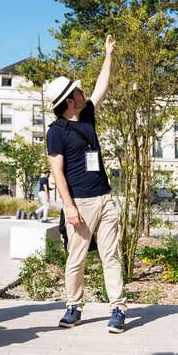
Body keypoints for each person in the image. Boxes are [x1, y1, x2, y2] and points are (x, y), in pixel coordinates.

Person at [45, 35, 127, 333]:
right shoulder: (57, 131)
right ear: (69, 100)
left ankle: (117, 308)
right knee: (76, 258)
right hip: (79, 203)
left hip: (105, 198)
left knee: (111, 255)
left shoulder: (88, 113)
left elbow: (101, 88)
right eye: (77, 89)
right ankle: (73, 307)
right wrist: (68, 207)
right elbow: (57, 171)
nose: (82, 91)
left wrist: (109, 54)